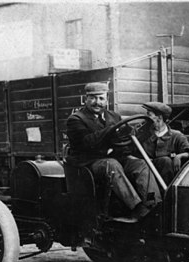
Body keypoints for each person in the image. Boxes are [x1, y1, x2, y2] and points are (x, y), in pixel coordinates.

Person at [66, 82, 161, 221]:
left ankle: (154, 204)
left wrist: (135, 136)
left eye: (101, 98)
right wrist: (111, 130)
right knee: (111, 165)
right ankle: (136, 208)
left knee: (140, 164)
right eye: (92, 98)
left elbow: (122, 141)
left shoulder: (113, 117)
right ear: (85, 99)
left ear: (107, 99)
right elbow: (87, 143)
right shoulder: (76, 119)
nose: (97, 102)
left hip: (114, 158)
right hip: (87, 164)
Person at [137, 101, 189, 184]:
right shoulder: (143, 135)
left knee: (165, 161)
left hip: (167, 181)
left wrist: (179, 156)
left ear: (159, 117)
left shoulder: (176, 136)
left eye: (149, 115)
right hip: (146, 176)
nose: (146, 119)